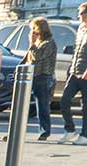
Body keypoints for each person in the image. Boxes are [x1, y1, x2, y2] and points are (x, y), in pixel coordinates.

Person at [58, 3, 87, 144]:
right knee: (64, 100)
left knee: (85, 106)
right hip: (75, 72)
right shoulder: (81, 30)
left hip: (86, 74)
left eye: (81, 13)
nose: (79, 16)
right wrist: (71, 68)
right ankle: (70, 129)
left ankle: (85, 135)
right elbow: (77, 51)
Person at [26, 18, 57, 141]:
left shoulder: (49, 43)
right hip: (33, 75)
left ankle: (45, 131)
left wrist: (31, 44)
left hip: (43, 76)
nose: (32, 33)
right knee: (23, 104)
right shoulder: (39, 42)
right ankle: (16, 128)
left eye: (34, 30)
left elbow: (38, 57)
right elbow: (30, 58)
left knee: (42, 105)